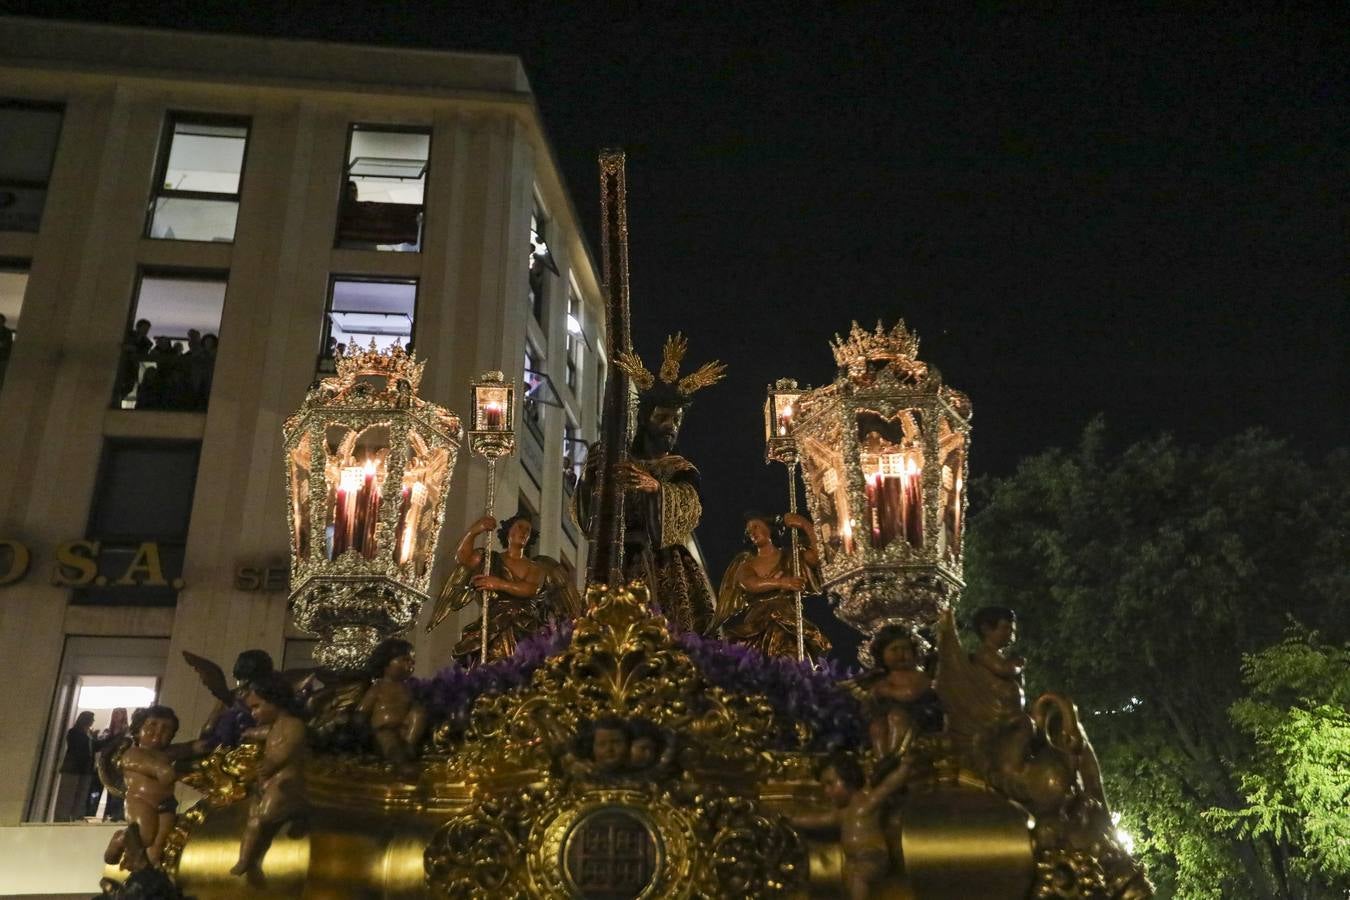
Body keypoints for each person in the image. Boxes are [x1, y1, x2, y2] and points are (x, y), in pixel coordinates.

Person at [574, 332, 725, 633]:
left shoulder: (679, 468)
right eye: (664, 419)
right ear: (645, 419)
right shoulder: (617, 459)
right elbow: (589, 520)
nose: (671, 427)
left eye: (677, 421)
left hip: (664, 564)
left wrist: (657, 489)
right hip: (615, 560)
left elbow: (690, 510)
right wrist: (591, 479)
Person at [426, 513, 580, 663]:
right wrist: (475, 530)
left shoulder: (535, 567)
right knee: (492, 661)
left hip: (522, 624)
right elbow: (464, 557)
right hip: (494, 623)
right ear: (509, 531)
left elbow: (530, 588)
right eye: (520, 527)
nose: (524, 532)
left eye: (527, 530)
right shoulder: (491, 561)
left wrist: (498, 583)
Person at [788, 754, 915, 900]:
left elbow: (888, 786)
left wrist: (905, 767)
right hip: (853, 861)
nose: (826, 792)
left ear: (849, 779)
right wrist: (792, 820)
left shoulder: (867, 803)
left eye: (830, 784)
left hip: (872, 857)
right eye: (824, 786)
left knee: (858, 878)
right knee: (849, 878)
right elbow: (818, 820)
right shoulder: (841, 814)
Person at [713, 512, 831, 660]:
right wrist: (782, 582)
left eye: (756, 527)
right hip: (758, 622)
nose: (752, 533)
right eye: (749, 531)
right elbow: (749, 583)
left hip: (787, 617)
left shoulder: (791, 556)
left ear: (769, 528)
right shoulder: (746, 564)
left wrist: (804, 524)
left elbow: (817, 556)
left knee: (790, 653)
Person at [231, 674, 308, 879]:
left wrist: (272, 763)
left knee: (265, 816)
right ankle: (244, 860)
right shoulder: (274, 726)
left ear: (275, 701)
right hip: (267, 781)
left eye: (257, 707)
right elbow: (265, 733)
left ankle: (298, 808)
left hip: (285, 781)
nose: (253, 713)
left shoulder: (293, 725)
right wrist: (250, 733)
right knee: (254, 821)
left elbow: (288, 747)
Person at [109, 705, 181, 864]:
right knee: (144, 836)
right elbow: (144, 764)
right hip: (141, 801)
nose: (159, 731)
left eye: (166, 728)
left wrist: (201, 746)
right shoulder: (133, 753)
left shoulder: (168, 753)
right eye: (153, 725)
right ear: (138, 730)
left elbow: (189, 748)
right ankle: (120, 839)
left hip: (166, 804)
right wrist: (160, 769)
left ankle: (152, 867)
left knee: (161, 841)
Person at [858, 626, 934, 759]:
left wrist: (887, 691)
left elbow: (911, 693)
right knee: (877, 727)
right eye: (894, 649)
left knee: (897, 716)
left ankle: (895, 759)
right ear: (882, 655)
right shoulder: (883, 679)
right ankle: (882, 763)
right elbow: (869, 702)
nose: (901, 654)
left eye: (905, 649)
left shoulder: (920, 676)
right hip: (888, 716)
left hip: (919, 718)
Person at [357, 638, 426, 764]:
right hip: (384, 729)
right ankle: (399, 761)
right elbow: (362, 710)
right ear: (386, 662)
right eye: (405, 660)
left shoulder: (407, 688)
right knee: (391, 744)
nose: (410, 665)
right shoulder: (378, 688)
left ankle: (409, 746)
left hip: (405, 729)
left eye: (412, 662)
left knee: (418, 712)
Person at [54, 711, 98, 821]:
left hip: (85, 770)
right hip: (73, 769)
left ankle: (76, 817)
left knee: (81, 796)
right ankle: (62, 819)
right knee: (67, 796)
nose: (93, 721)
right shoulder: (74, 732)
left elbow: (95, 747)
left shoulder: (89, 735)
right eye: (91, 719)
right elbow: (77, 748)